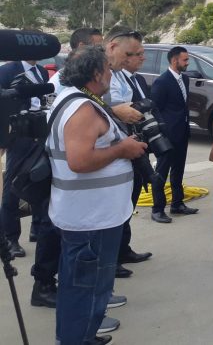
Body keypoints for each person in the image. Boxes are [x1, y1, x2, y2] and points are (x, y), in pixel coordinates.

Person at [47, 45, 146, 345]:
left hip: (91, 216)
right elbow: (79, 161)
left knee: (82, 286)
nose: (111, 75)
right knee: (86, 288)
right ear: (95, 74)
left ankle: (81, 336)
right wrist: (123, 149)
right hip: (90, 219)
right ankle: (76, 339)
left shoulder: (78, 100)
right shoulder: (82, 109)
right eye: (108, 70)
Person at [0, 56, 49, 260]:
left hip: (39, 131)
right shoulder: (7, 71)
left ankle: (36, 228)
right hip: (17, 135)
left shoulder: (43, 72)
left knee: (40, 178)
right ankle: (10, 238)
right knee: (12, 186)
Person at [115, 36, 153, 276]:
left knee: (132, 199)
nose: (142, 58)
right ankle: (114, 256)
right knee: (119, 205)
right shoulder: (112, 81)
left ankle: (124, 248)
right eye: (136, 53)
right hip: (121, 148)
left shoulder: (136, 79)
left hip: (137, 145)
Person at [151, 46, 199, 223]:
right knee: (162, 171)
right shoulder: (162, 82)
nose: (188, 63)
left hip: (182, 132)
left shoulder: (184, 79)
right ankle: (157, 209)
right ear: (174, 61)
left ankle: (177, 204)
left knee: (178, 170)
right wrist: (163, 131)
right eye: (185, 60)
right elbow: (155, 108)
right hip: (168, 134)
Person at [49, 27, 103, 95]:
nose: (103, 52)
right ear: (82, 47)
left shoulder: (90, 76)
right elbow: (50, 105)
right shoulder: (61, 81)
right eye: (98, 48)